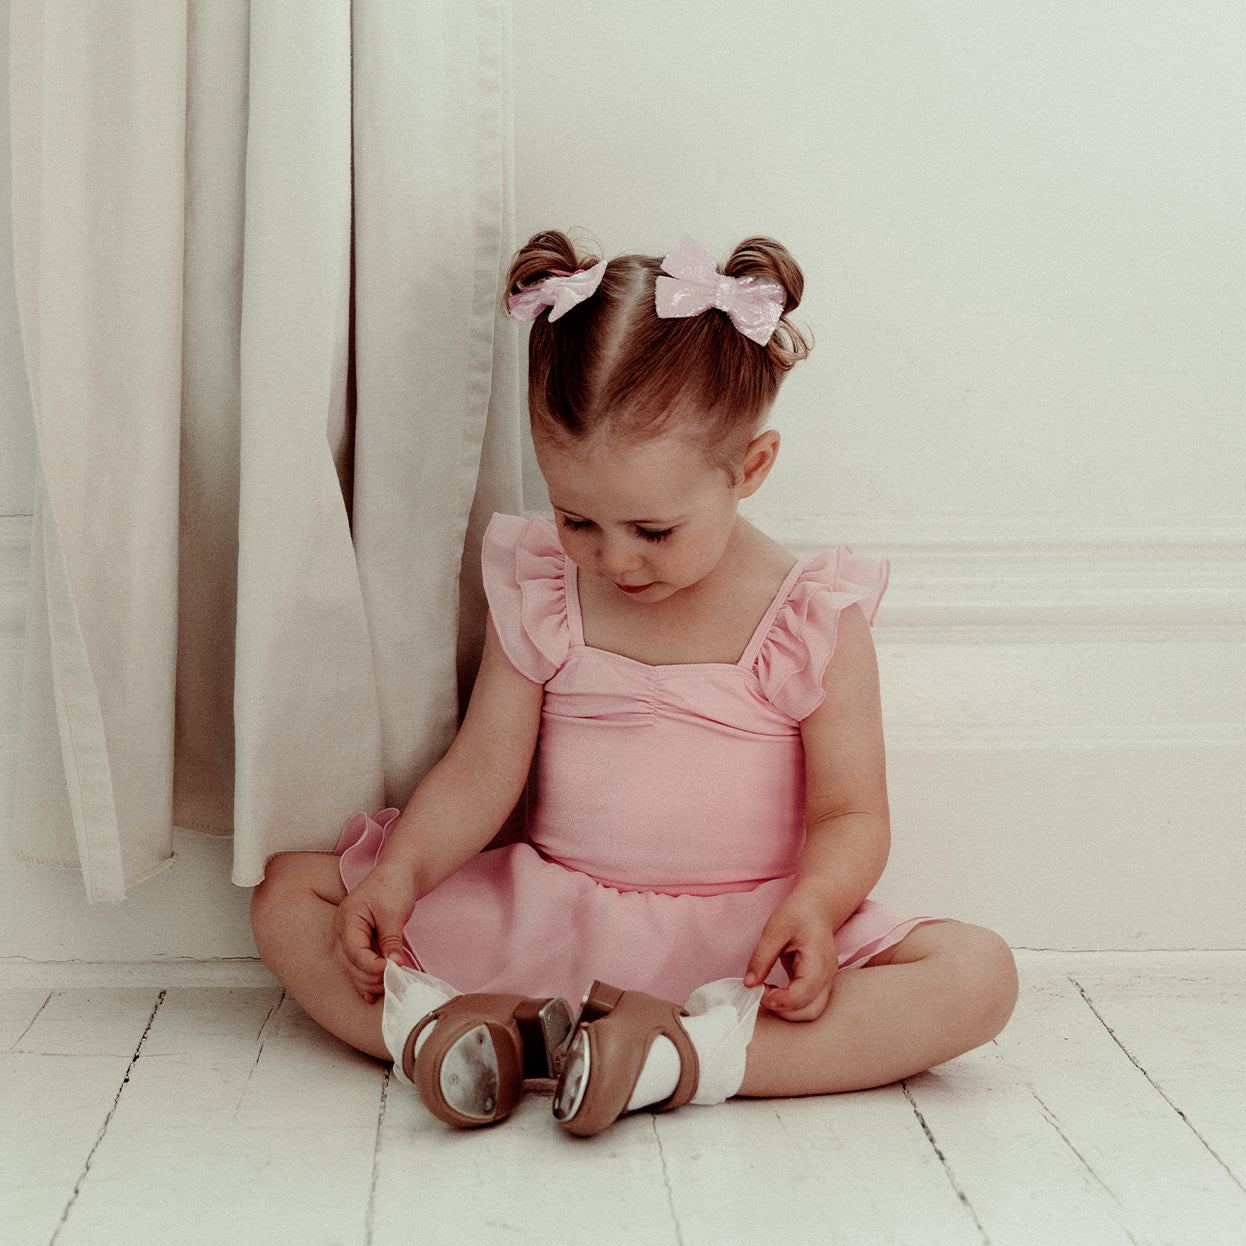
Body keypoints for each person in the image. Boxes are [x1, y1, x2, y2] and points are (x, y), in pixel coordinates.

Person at [250, 231, 1018, 1137]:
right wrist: (402, 876)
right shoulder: (545, 588)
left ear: (750, 468)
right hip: (555, 914)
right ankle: (455, 1036)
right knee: (288, 894)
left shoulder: (809, 615)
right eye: (576, 518)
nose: (614, 560)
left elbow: (851, 812)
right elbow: (482, 772)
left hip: (745, 935)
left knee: (979, 975)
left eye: (653, 531)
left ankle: (680, 1055)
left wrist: (815, 908)